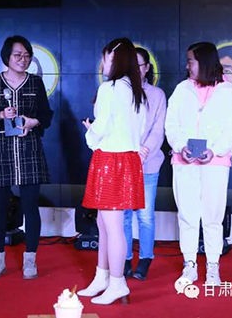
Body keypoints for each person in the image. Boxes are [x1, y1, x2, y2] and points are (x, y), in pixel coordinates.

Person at [165, 42, 232, 287]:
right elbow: (171, 125)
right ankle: (189, 265)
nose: (187, 66)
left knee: (212, 217)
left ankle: (212, 267)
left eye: (191, 61)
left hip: (215, 164)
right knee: (187, 216)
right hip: (184, 162)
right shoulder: (182, 90)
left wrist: (215, 150)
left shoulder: (227, 91)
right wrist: (181, 146)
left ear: (204, 62)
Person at [0, 35, 53, 280]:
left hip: (29, 147)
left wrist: (33, 122)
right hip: (1, 147)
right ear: (6, 57)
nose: (23, 59)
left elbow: (46, 116)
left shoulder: (35, 83)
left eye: (27, 55)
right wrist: (0, 114)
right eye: (17, 55)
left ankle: (30, 259)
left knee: (30, 206)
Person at [79, 38, 146, 305]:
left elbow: (103, 125)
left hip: (111, 160)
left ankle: (117, 282)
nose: (102, 63)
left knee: (112, 226)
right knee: (104, 223)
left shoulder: (110, 88)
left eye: (105, 57)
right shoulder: (136, 90)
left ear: (115, 59)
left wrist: (91, 133)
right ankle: (102, 276)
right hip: (127, 160)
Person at [123, 47, 166, 281]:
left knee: (145, 215)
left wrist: (143, 151)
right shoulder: (118, 91)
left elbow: (158, 130)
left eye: (138, 65)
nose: (134, 69)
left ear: (147, 68)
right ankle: (125, 257)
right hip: (123, 163)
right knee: (124, 215)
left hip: (148, 163)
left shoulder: (157, 95)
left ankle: (146, 257)